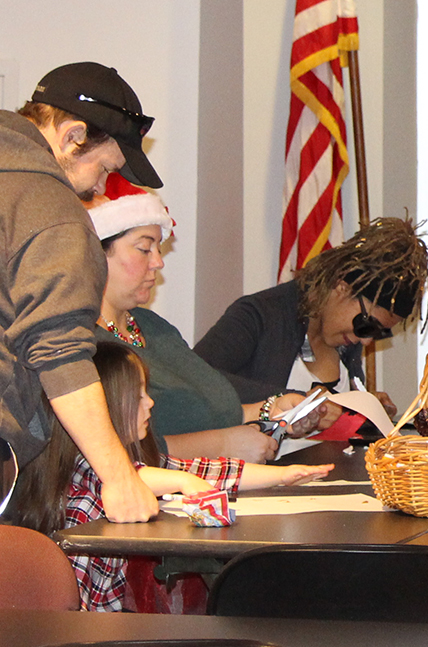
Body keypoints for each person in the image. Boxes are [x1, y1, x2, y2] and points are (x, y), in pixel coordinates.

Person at [8, 341, 333, 611]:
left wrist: (284, 476)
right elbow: (139, 478)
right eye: (138, 397)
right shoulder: (86, 476)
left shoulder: (137, 465)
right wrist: (183, 483)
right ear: (105, 407)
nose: (150, 404)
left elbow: (209, 470)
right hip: (81, 637)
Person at [0, 61, 164, 523]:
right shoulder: (51, 210)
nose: (98, 189)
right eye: (104, 168)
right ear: (73, 136)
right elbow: (60, 353)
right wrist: (119, 476)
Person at [86, 173, 332, 462]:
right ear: (95, 252)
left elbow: (210, 408)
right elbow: (110, 452)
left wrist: (271, 409)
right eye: (144, 248)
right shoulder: (84, 341)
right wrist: (220, 446)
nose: (158, 262)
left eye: (158, 249)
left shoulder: (154, 328)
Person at [194, 216, 428, 418]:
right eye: (368, 326)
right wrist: (292, 400)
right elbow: (193, 379)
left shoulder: (346, 337)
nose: (366, 340)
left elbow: (333, 413)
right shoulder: (258, 315)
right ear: (342, 287)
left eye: (380, 333)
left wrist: (361, 409)